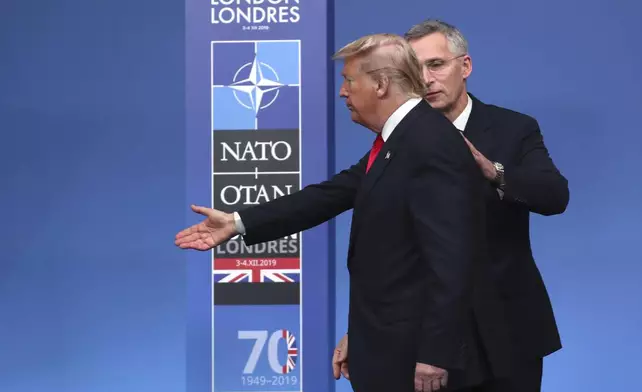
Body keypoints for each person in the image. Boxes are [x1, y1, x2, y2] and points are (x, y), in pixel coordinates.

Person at [176, 33, 489, 392]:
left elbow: (452, 260)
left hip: (414, 360)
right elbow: (327, 196)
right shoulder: (402, 140)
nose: (343, 92)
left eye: (349, 80)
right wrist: (236, 222)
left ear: (381, 84)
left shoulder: (429, 143)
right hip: (388, 348)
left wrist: (435, 353)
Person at [333, 19, 570, 392]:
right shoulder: (398, 140)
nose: (425, 79)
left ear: (466, 66)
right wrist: (360, 333)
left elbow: (555, 195)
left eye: (436, 65)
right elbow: (388, 251)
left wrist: (494, 172)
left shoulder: (513, 128)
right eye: (415, 68)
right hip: (428, 339)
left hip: (506, 331)